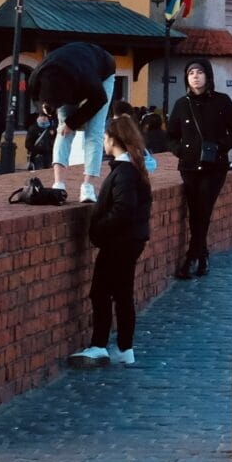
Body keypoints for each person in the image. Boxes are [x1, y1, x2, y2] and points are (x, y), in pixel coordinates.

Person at [74, 113, 152, 369]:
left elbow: (123, 209)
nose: (104, 142)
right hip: (129, 240)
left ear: (112, 140)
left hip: (119, 241)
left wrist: (98, 229)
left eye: (106, 137)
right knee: (122, 294)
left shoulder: (125, 172)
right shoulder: (133, 168)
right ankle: (124, 349)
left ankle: (100, 345)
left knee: (102, 293)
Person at [166, 61, 232, 278]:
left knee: (204, 209)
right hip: (189, 166)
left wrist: (220, 146)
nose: (195, 76)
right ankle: (203, 255)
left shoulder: (222, 101)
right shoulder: (182, 104)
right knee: (195, 212)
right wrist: (180, 151)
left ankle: (191, 258)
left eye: (199, 72)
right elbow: (170, 136)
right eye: (191, 72)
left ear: (208, 76)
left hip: (214, 166)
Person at [26, 41, 117, 201]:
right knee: (63, 131)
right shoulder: (36, 77)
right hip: (69, 71)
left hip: (102, 71)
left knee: (94, 132)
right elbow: (35, 99)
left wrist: (72, 123)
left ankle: (88, 187)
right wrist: (44, 109)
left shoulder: (88, 79)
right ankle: (58, 184)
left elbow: (99, 100)